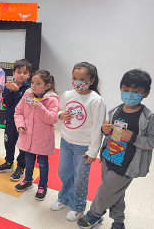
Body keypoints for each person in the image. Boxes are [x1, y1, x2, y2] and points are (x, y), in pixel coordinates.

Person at [77, 69, 154, 229]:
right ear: (120, 89)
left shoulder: (148, 118)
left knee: (104, 192)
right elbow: (112, 133)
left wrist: (134, 138)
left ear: (146, 94)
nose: (130, 94)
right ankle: (118, 221)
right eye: (126, 90)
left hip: (126, 165)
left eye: (136, 92)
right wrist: (105, 131)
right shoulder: (116, 111)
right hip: (109, 158)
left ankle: (94, 215)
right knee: (115, 193)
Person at [51, 62, 107, 222]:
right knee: (64, 172)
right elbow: (59, 111)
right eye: (74, 78)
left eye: (83, 79)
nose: (78, 82)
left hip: (84, 146)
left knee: (80, 177)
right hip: (66, 141)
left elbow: (98, 127)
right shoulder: (68, 95)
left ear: (92, 80)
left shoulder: (96, 101)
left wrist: (93, 150)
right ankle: (64, 198)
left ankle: (78, 206)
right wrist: (61, 115)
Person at [14, 70, 59, 201]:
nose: (33, 86)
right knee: (29, 160)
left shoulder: (52, 100)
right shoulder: (27, 95)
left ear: (47, 86)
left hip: (42, 139)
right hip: (28, 137)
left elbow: (52, 119)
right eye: (32, 82)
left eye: (38, 83)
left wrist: (40, 107)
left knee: (43, 162)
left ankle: (43, 186)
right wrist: (20, 125)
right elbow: (18, 112)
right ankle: (28, 180)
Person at [0, 59, 32, 182]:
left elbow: (21, 105)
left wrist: (16, 92)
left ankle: (21, 167)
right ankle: (9, 162)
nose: (22, 75)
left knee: (23, 146)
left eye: (25, 73)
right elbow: (7, 102)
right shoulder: (9, 85)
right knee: (9, 143)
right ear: (14, 73)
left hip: (23, 124)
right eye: (19, 72)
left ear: (29, 75)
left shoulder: (29, 89)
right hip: (10, 121)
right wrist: (10, 91)